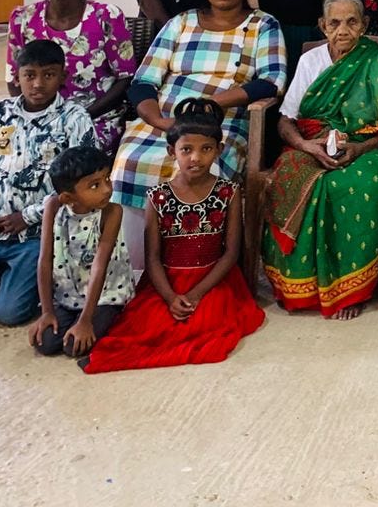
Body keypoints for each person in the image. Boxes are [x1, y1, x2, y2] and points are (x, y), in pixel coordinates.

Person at [112, 0, 286, 265]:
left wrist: (210, 104)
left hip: (224, 120)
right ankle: (138, 266)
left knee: (208, 166)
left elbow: (272, 81)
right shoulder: (182, 22)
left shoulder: (263, 25)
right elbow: (144, 80)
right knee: (129, 160)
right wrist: (159, 121)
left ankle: (199, 263)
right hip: (165, 118)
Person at [85, 100, 264, 372]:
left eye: (206, 149)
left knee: (207, 332)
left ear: (219, 150)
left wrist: (196, 293)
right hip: (167, 282)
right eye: (187, 150)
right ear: (172, 151)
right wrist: (170, 297)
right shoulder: (157, 196)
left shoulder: (228, 191)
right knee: (148, 329)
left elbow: (230, 253)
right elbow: (153, 258)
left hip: (212, 280)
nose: (196, 158)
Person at [261, 0, 378, 321]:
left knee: (361, 184)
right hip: (310, 144)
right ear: (322, 26)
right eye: (335, 23)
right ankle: (298, 286)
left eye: (352, 22)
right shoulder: (311, 61)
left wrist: (357, 148)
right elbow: (286, 120)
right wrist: (307, 146)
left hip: (365, 147)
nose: (343, 31)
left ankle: (350, 290)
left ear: (364, 24)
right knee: (295, 177)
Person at [0, 39, 95, 328]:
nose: (38, 84)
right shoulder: (0, 113)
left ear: (63, 76)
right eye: (29, 75)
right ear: (17, 76)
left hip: (37, 236)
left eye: (48, 75)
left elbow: (82, 184)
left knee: (10, 315)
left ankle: (17, 281)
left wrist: (28, 216)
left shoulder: (74, 119)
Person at [6, 0, 135, 151]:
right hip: (39, 116)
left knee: (64, 155)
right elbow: (14, 78)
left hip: (95, 117)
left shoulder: (107, 16)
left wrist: (79, 116)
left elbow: (126, 78)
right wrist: (34, 116)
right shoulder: (23, 18)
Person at [30, 145, 134, 359]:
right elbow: (45, 260)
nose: (106, 189)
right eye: (95, 185)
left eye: (107, 178)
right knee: (46, 343)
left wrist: (86, 321)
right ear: (68, 198)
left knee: (74, 347)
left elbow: (100, 265)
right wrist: (47, 312)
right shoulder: (54, 206)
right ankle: (74, 315)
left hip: (105, 294)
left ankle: (101, 315)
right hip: (69, 293)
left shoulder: (111, 212)